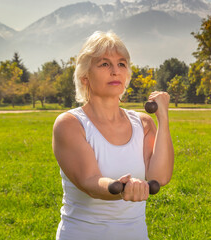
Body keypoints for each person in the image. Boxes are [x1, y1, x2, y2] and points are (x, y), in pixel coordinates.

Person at [52, 31, 174, 240]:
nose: (115, 71)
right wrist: (121, 188)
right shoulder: (70, 124)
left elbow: (159, 177)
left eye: (122, 64)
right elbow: (89, 181)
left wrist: (163, 120)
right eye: (104, 64)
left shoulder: (143, 123)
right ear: (85, 77)